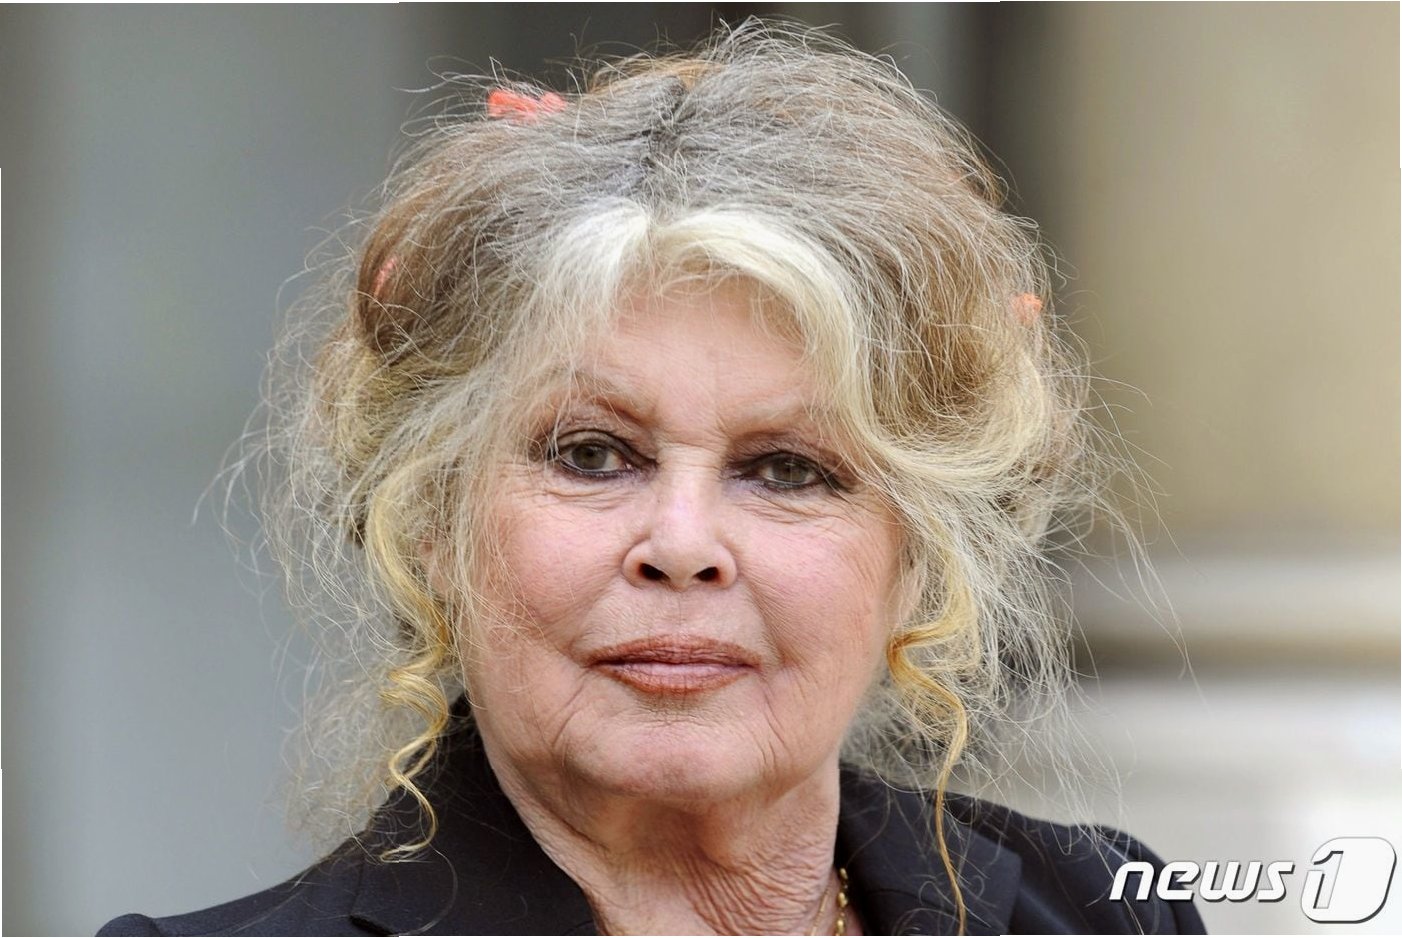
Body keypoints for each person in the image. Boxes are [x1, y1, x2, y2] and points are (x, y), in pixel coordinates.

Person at [101, 21, 1205, 937]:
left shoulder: (1100, 909)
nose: (682, 543)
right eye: (591, 454)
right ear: (432, 521)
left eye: (788, 469)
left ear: (917, 556)